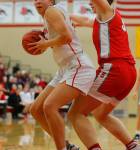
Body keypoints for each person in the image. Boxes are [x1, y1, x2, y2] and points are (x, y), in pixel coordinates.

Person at [68, 0, 140, 150]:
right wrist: (62, 16)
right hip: (128, 73)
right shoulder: (102, 20)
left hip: (114, 70)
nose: (90, 3)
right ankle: (134, 147)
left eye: (93, 1)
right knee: (100, 114)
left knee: (75, 113)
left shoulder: (108, 11)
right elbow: (83, 20)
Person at [29, 0, 96, 150]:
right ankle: (67, 145)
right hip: (64, 68)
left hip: (78, 65)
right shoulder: (50, 16)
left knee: (49, 106)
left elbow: (67, 37)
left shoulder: (51, 11)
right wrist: (45, 44)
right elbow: (61, 40)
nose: (37, 1)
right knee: (36, 109)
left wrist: (45, 44)